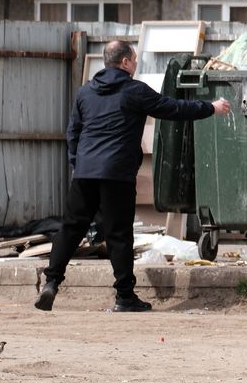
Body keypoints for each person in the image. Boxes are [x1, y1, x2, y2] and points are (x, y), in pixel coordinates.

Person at [36, 40, 230, 312]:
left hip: (85, 174)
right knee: (118, 235)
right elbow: (172, 108)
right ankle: (124, 296)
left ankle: (52, 282)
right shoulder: (134, 91)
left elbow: (73, 133)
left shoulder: (86, 92)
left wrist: (78, 164)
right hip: (116, 173)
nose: (136, 64)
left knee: (70, 229)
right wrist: (211, 107)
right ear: (125, 62)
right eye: (135, 59)